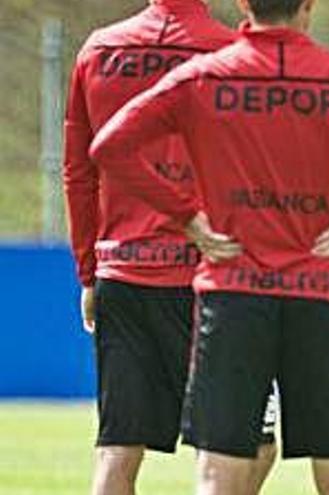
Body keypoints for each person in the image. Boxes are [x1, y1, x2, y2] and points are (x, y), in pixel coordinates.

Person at [87, 0, 329, 493]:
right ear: (308, 5)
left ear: (243, 4)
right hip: (320, 289)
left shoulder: (204, 78)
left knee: (221, 467)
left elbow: (109, 146)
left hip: (233, 290)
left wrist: (187, 217)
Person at [62, 1, 278, 494]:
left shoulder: (98, 50)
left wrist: (88, 271)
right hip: (211, 279)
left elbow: (79, 171)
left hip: (122, 270)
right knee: (246, 446)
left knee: (117, 450)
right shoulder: (232, 52)